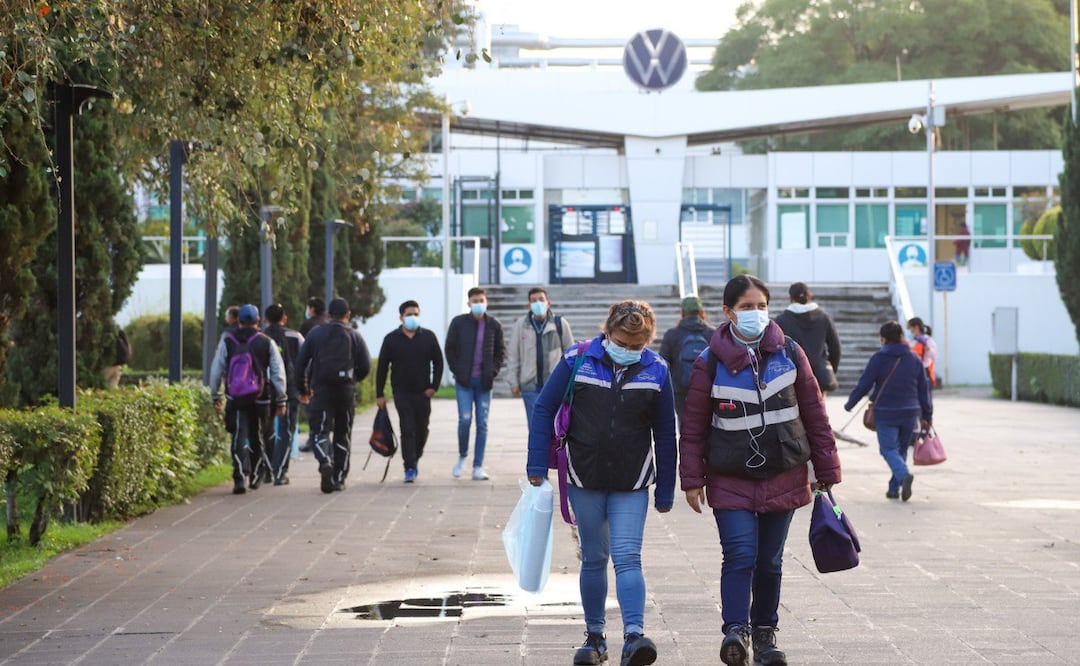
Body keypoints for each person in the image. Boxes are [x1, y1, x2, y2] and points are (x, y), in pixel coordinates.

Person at [679, 275, 841, 666]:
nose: (755, 314)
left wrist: (826, 468)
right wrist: (691, 479)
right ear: (728, 311)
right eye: (747, 307)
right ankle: (736, 631)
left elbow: (815, 413)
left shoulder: (790, 352)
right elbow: (694, 425)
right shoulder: (709, 362)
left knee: (770, 560)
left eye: (761, 306)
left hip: (784, 473)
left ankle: (765, 636)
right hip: (729, 476)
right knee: (739, 555)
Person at [526, 300, 675, 666]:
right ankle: (595, 639)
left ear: (647, 341)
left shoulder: (657, 370)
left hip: (632, 481)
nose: (628, 350)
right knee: (594, 558)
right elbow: (544, 408)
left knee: (627, 557)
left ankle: (634, 637)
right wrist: (536, 463)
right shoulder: (576, 360)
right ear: (607, 332)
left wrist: (667, 488)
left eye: (637, 345)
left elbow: (666, 432)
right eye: (622, 342)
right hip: (583, 478)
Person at [845, 320, 932, 502]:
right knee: (900, 450)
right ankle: (894, 488)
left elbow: (865, 383)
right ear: (901, 337)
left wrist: (851, 403)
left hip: (885, 412)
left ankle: (903, 474)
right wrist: (927, 414)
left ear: (883, 339)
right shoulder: (914, 359)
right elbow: (924, 389)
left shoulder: (879, 358)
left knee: (888, 449)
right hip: (910, 412)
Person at [295, 298, 372, 493]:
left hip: (321, 391)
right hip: (345, 392)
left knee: (319, 432)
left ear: (328, 315)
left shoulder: (315, 334)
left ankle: (325, 460)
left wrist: (303, 389)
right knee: (342, 434)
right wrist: (353, 380)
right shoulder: (355, 336)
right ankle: (339, 478)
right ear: (348, 315)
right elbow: (365, 366)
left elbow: (300, 363)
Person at [209, 304, 287, 495]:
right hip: (260, 397)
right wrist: (281, 398)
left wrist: (215, 394)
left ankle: (239, 477)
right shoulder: (266, 342)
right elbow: (278, 372)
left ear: (239, 321)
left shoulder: (228, 341)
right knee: (257, 435)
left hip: (236, 397)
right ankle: (256, 474)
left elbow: (216, 369)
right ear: (258, 321)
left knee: (238, 436)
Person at [375, 300, 445, 483]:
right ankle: (410, 467)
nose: (412, 317)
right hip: (401, 392)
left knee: (422, 428)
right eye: (409, 314)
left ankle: (415, 456)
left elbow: (438, 362)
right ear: (401, 317)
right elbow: (382, 367)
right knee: (407, 428)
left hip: (423, 392)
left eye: (416, 314)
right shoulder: (391, 339)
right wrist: (379, 394)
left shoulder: (428, 337)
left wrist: (434, 386)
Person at [444, 286, 506, 481]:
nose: (478, 304)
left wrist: (492, 372)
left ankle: (477, 466)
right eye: (475, 301)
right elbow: (449, 349)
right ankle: (462, 456)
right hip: (464, 382)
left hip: (484, 383)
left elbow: (500, 352)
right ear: (469, 303)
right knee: (464, 420)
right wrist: (458, 371)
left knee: (482, 423)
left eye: (481, 301)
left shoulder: (494, 325)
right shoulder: (459, 323)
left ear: (486, 302)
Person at [506, 287, 574, 426]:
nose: (538, 303)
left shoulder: (560, 324)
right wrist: (513, 381)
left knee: (555, 427)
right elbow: (513, 355)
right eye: (533, 300)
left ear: (548, 302)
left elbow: (571, 354)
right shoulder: (520, 325)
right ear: (529, 305)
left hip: (555, 385)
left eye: (541, 299)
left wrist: (571, 382)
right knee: (535, 427)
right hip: (530, 386)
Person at [774, 282, 841, 395]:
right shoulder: (823, 317)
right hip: (819, 376)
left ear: (790, 298)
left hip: (793, 379)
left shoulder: (781, 320)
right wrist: (829, 369)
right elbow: (835, 348)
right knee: (818, 410)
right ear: (809, 296)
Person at [263, 303, 305, 486]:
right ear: (284, 318)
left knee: (264, 431)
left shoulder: (260, 337)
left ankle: (265, 471)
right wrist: (305, 389)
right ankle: (280, 472)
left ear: (265, 319)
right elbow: (306, 363)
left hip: (262, 391)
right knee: (286, 431)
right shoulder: (295, 337)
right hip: (289, 391)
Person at [658, 295, 715, 423]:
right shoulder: (712, 333)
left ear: (682, 313)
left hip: (680, 389)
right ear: (701, 312)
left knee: (685, 424)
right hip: (707, 388)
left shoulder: (672, 334)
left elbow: (663, 363)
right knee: (707, 424)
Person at [297, 297, 329, 452]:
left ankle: (313, 438)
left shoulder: (307, 326)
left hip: (312, 374)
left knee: (312, 410)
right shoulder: (328, 325)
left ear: (312, 309)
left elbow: (302, 354)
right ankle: (326, 440)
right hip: (328, 374)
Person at [906, 316, 938, 388]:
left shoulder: (927, 340)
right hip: (913, 371)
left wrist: (926, 347)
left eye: (910, 328)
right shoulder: (913, 340)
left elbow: (934, 355)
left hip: (924, 371)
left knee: (925, 396)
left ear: (916, 327)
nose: (909, 331)